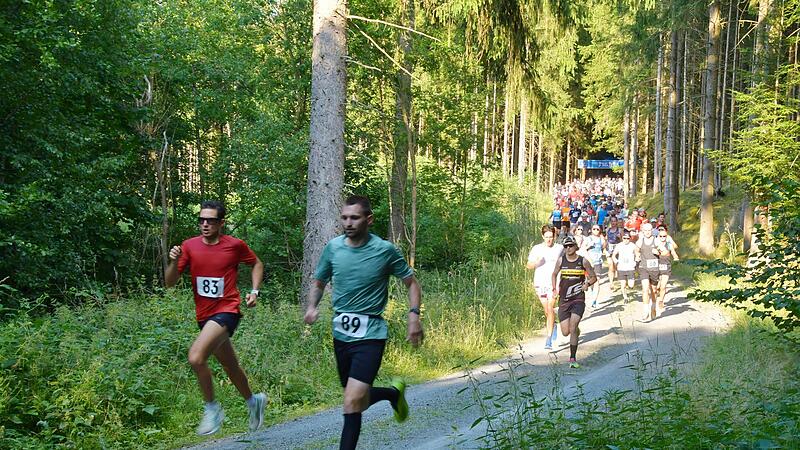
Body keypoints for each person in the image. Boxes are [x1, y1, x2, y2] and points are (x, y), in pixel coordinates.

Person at [304, 195, 423, 450]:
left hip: (371, 334)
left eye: (354, 218)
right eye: (345, 217)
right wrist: (312, 306)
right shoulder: (333, 248)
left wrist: (413, 315)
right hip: (341, 335)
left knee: (351, 401)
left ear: (368, 219)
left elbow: (412, 284)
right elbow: (319, 282)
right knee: (357, 399)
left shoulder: (384, 250)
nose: (348, 223)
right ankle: (393, 394)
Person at [164, 200, 267, 436]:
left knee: (195, 357)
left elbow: (256, 263)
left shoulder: (235, 245)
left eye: (210, 220)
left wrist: (254, 291)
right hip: (204, 316)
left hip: (227, 310)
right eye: (201, 220)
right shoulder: (188, 246)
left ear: (221, 223)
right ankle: (254, 402)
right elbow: (169, 283)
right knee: (230, 366)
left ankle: (212, 409)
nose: (205, 224)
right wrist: (172, 261)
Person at [551, 236, 597, 368]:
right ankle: (576, 330)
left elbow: (594, 277)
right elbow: (554, 274)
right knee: (566, 332)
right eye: (565, 246)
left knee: (572, 326)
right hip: (564, 299)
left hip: (578, 298)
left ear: (575, 247)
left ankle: (572, 359)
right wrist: (554, 289)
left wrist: (587, 283)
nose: (568, 248)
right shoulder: (561, 260)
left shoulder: (583, 261)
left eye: (570, 245)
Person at [526, 225, 564, 350]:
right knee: (547, 311)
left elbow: (565, 262)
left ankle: (548, 339)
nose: (549, 240)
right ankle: (554, 326)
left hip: (554, 283)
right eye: (546, 237)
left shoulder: (559, 248)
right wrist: (537, 263)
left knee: (550, 307)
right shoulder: (537, 249)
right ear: (542, 236)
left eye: (551, 237)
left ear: (554, 236)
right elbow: (528, 265)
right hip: (540, 283)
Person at [634, 222, 660, 321]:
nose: (648, 232)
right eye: (646, 230)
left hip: (654, 268)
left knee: (653, 290)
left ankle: (653, 306)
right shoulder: (640, 241)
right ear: (643, 231)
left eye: (649, 230)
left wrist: (658, 252)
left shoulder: (656, 241)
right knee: (645, 289)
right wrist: (637, 255)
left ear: (652, 231)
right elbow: (636, 250)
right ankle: (645, 311)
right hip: (643, 267)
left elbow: (664, 252)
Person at [654, 224, 679, 317]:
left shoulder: (669, 244)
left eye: (664, 236)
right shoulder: (655, 244)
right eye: (661, 236)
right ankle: (655, 295)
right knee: (657, 286)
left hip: (666, 266)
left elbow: (673, 252)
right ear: (658, 236)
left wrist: (676, 257)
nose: (663, 238)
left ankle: (661, 300)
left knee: (663, 286)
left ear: (666, 236)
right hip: (657, 266)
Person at [582, 225, 606, 308]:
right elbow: (583, 249)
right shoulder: (588, 238)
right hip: (589, 263)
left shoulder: (601, 239)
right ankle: (591, 295)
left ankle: (594, 300)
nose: (596, 230)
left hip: (598, 263)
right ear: (591, 230)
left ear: (600, 230)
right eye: (594, 229)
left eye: (597, 229)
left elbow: (603, 248)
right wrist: (589, 246)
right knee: (590, 281)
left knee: (597, 281)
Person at [611, 231, 637, 302]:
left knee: (631, 285)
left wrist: (636, 261)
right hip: (621, 268)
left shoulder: (633, 245)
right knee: (623, 285)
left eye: (627, 238)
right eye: (624, 238)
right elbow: (613, 255)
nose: (626, 240)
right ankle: (625, 297)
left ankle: (629, 286)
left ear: (630, 238)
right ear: (622, 238)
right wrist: (616, 261)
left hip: (630, 267)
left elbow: (637, 254)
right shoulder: (619, 245)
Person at [605, 216, 624, 288]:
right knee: (610, 265)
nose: (613, 223)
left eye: (614, 221)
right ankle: (611, 283)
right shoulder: (608, 230)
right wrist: (605, 249)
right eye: (612, 221)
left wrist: (620, 238)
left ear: (617, 222)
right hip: (609, 249)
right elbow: (606, 240)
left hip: (617, 250)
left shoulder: (620, 230)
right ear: (610, 222)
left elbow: (623, 241)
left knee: (616, 265)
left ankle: (618, 275)